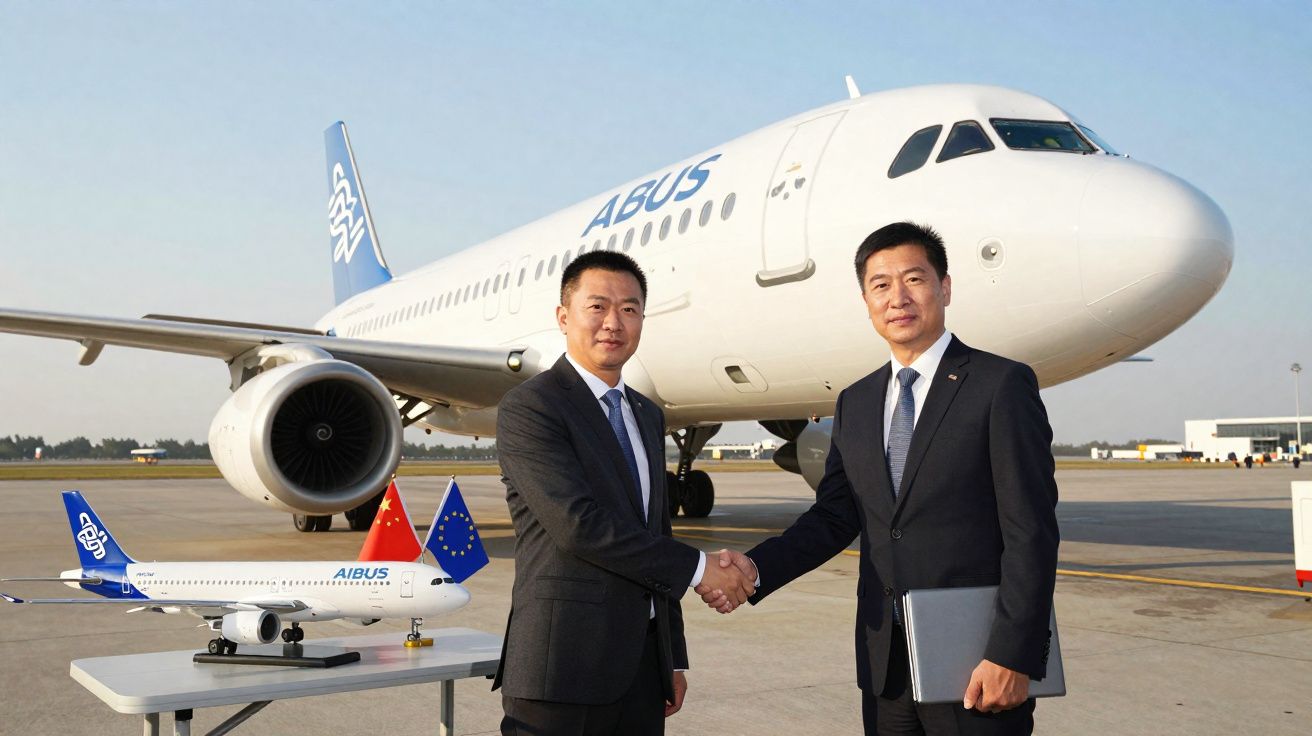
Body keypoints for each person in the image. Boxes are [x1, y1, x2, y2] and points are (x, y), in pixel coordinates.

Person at [699, 222, 1060, 735]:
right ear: (866, 300)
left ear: (945, 287)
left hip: (975, 665)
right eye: (881, 285)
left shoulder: (1000, 384)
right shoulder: (857, 401)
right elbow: (834, 516)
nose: (898, 297)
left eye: (914, 279)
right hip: (884, 667)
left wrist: (1013, 655)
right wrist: (756, 569)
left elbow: (1031, 532)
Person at [493, 250, 754, 736]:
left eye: (630, 309)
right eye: (598, 307)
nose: (614, 322)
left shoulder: (646, 414)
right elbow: (578, 526)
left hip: (639, 670)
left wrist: (672, 657)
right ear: (563, 316)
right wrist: (701, 569)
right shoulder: (531, 407)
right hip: (561, 669)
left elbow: (657, 532)